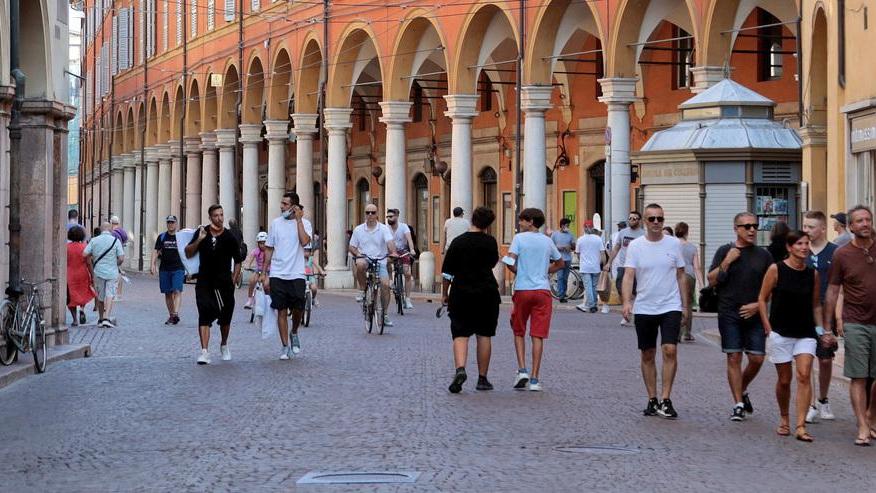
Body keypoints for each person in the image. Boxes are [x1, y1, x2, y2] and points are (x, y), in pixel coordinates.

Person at [757, 230, 826, 442]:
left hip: (805, 332)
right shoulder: (775, 269)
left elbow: (815, 304)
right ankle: (784, 418)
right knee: (785, 380)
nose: (804, 247)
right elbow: (762, 299)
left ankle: (801, 425)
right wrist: (768, 327)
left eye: (806, 244)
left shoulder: (812, 273)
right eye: (799, 244)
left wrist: (821, 331)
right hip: (781, 332)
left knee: (804, 375)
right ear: (789, 247)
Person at [623, 204, 688, 419]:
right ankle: (652, 398)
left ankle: (666, 398)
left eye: (660, 218)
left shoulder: (674, 244)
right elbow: (629, 275)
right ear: (645, 222)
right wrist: (626, 302)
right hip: (644, 306)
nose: (656, 222)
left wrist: (686, 306)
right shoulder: (636, 246)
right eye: (652, 219)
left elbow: (681, 275)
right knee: (647, 353)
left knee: (670, 350)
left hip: (670, 305)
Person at [708, 212, 773, 421]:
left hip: (754, 313)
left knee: (757, 358)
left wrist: (758, 305)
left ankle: (742, 387)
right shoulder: (725, 251)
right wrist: (727, 261)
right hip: (729, 312)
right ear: (736, 228)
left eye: (755, 225)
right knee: (734, 356)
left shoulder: (764, 255)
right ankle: (737, 403)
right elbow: (711, 280)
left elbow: (772, 286)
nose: (752, 229)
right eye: (746, 226)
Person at [823, 205, 876, 446]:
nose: (865, 224)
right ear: (851, 227)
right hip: (856, 322)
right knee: (859, 376)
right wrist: (829, 325)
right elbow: (833, 290)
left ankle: (871, 415)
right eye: (859, 221)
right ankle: (863, 426)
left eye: (868, 219)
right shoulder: (842, 255)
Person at [442, 207, 501, 393]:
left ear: (472, 220)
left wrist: (444, 293)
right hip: (487, 292)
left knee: (460, 333)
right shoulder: (490, 242)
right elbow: (492, 263)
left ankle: (460, 369)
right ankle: (482, 379)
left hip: (461, 292)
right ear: (488, 224)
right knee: (484, 334)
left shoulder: (458, 242)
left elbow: (447, 272)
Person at [505, 208, 564, 391]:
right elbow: (560, 263)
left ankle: (522, 369)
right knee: (538, 334)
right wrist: (546, 271)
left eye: (522, 220)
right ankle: (535, 379)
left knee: (519, 330)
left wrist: (518, 271)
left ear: (530, 221)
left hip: (523, 289)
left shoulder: (519, 239)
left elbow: (509, 261)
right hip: (543, 291)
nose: (520, 224)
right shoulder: (547, 241)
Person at [184, 205, 244, 365]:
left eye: (221, 215)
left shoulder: (230, 237)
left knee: (225, 319)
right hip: (204, 282)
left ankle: (224, 344)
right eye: (216, 215)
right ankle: (204, 352)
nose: (220, 218)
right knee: (204, 315)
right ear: (210, 217)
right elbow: (188, 252)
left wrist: (234, 279)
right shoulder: (202, 232)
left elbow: (238, 261)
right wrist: (199, 239)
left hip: (224, 284)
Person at [262, 192, 312, 360]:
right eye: (281, 203)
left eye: (285, 204)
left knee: (299, 307)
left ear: (294, 207)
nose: (281, 206)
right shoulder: (275, 224)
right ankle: (284, 347)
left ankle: (295, 331)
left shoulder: (305, 223)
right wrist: (264, 273)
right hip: (278, 273)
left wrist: (298, 220)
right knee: (281, 310)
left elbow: (305, 242)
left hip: (297, 272)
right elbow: (269, 248)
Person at [802, 211, 839, 423]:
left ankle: (823, 399)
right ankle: (810, 404)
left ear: (823, 229)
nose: (806, 230)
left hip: (826, 313)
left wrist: (838, 318)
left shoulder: (835, 252)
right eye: (805, 226)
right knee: (806, 359)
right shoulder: (800, 250)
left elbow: (840, 286)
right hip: (804, 312)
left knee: (824, 359)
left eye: (811, 227)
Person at [349, 204, 397, 327]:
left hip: (380, 260)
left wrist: (393, 252)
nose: (370, 215)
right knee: (360, 264)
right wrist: (358, 253)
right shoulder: (359, 229)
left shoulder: (384, 229)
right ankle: (362, 290)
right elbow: (352, 246)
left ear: (377, 214)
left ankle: (385, 314)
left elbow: (390, 242)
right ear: (365, 214)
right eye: (367, 212)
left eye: (373, 212)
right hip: (365, 258)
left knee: (385, 285)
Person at [604, 212, 644, 326]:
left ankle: (635, 313)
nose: (632, 220)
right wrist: (609, 263)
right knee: (620, 287)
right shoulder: (623, 233)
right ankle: (627, 310)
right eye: (630, 218)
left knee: (638, 292)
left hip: (637, 267)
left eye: (635, 218)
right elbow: (616, 248)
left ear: (639, 220)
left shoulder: (643, 234)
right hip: (623, 265)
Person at [83, 222, 125, 328]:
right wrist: (116, 264)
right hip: (112, 272)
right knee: (110, 294)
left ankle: (101, 318)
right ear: (110, 230)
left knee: (100, 296)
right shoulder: (116, 241)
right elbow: (121, 258)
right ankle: (107, 317)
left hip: (98, 272)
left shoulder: (94, 240)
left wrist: (94, 256)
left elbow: (84, 254)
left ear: (101, 230)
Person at [150, 215, 186, 325]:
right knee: (168, 293)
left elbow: (188, 251)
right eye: (169, 222)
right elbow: (156, 251)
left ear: (176, 224)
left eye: (172, 222)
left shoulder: (181, 237)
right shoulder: (162, 237)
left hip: (178, 268)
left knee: (177, 290)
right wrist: (152, 264)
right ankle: (172, 315)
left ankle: (175, 313)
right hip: (164, 268)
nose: (170, 224)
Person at [675, 222, 704, 342]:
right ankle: (687, 333)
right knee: (688, 303)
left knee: (677, 303)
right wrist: (702, 283)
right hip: (690, 275)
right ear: (687, 232)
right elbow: (697, 267)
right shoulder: (692, 247)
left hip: (676, 275)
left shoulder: (673, 245)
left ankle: (676, 333)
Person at [386, 208, 416, 310]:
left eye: (391, 216)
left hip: (403, 251)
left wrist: (411, 249)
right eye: (387, 217)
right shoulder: (385, 228)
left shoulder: (404, 227)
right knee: (385, 261)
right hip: (390, 251)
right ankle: (390, 280)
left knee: (407, 273)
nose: (389, 219)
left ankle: (407, 299)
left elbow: (409, 239)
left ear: (397, 217)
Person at [575, 222, 605, 313]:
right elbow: (602, 253)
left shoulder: (580, 239)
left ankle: (591, 305)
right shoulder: (598, 239)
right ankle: (594, 304)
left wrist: (582, 260)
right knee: (594, 286)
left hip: (585, 266)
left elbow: (578, 254)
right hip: (595, 266)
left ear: (584, 228)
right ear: (592, 228)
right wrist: (604, 265)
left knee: (588, 286)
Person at [66, 226, 93, 326]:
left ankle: (74, 319)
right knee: (83, 292)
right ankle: (81, 309)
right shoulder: (84, 247)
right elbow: (89, 263)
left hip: (70, 274)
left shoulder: (67, 247)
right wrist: (92, 275)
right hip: (82, 273)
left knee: (71, 297)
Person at [550, 218, 576, 303]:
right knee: (560, 277)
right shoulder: (555, 234)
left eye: (568, 226)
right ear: (562, 226)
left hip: (568, 258)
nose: (568, 227)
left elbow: (574, 246)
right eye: (567, 225)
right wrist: (558, 248)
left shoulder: (570, 234)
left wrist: (570, 246)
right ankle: (561, 295)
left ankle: (564, 293)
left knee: (565, 278)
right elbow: (550, 246)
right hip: (558, 258)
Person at [243, 232, 268, 309]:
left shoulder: (269, 251)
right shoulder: (256, 251)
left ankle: (269, 300)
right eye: (260, 243)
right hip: (258, 270)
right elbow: (250, 258)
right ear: (258, 243)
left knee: (267, 284)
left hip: (268, 271)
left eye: (264, 243)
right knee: (252, 280)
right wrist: (247, 265)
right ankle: (250, 299)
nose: (262, 245)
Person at [109, 215, 131, 300]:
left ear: (111, 223)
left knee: (116, 273)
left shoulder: (113, 233)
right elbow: (125, 241)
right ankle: (119, 294)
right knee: (119, 273)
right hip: (121, 253)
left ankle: (115, 293)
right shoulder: (122, 231)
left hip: (115, 254)